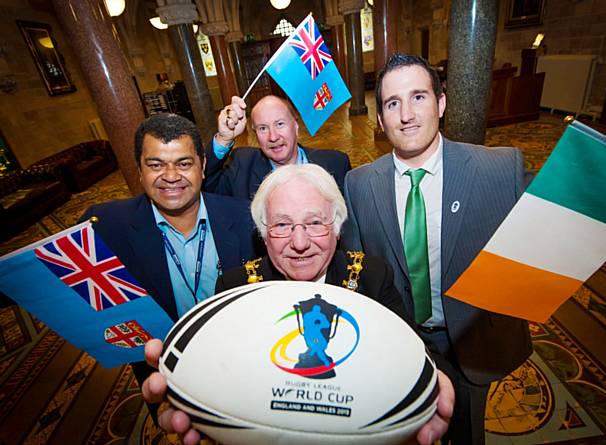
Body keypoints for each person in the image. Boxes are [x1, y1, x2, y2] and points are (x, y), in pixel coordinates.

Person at [142, 164, 455, 445]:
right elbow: (216, 375)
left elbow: (412, 353)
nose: (300, 243)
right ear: (263, 234)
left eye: (315, 222)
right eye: (281, 225)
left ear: (337, 227)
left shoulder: (372, 278)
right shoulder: (234, 288)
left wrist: (428, 384)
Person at [341, 53, 532, 444]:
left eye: (419, 97)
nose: (407, 115)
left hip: (472, 343)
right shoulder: (359, 184)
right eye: (393, 104)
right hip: (401, 343)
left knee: (465, 433)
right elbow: (359, 273)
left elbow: (551, 232)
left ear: (441, 103)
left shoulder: (497, 169)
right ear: (380, 119)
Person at [81, 114, 258, 409]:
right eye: (156, 165)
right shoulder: (106, 225)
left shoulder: (245, 216)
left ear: (202, 166)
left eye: (183, 163)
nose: (171, 176)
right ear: (139, 170)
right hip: (164, 373)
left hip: (242, 363)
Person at [203, 95, 351, 198]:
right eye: (263, 128)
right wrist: (224, 139)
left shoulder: (336, 163)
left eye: (280, 124)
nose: (273, 137)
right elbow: (205, 188)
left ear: (295, 125)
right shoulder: (241, 165)